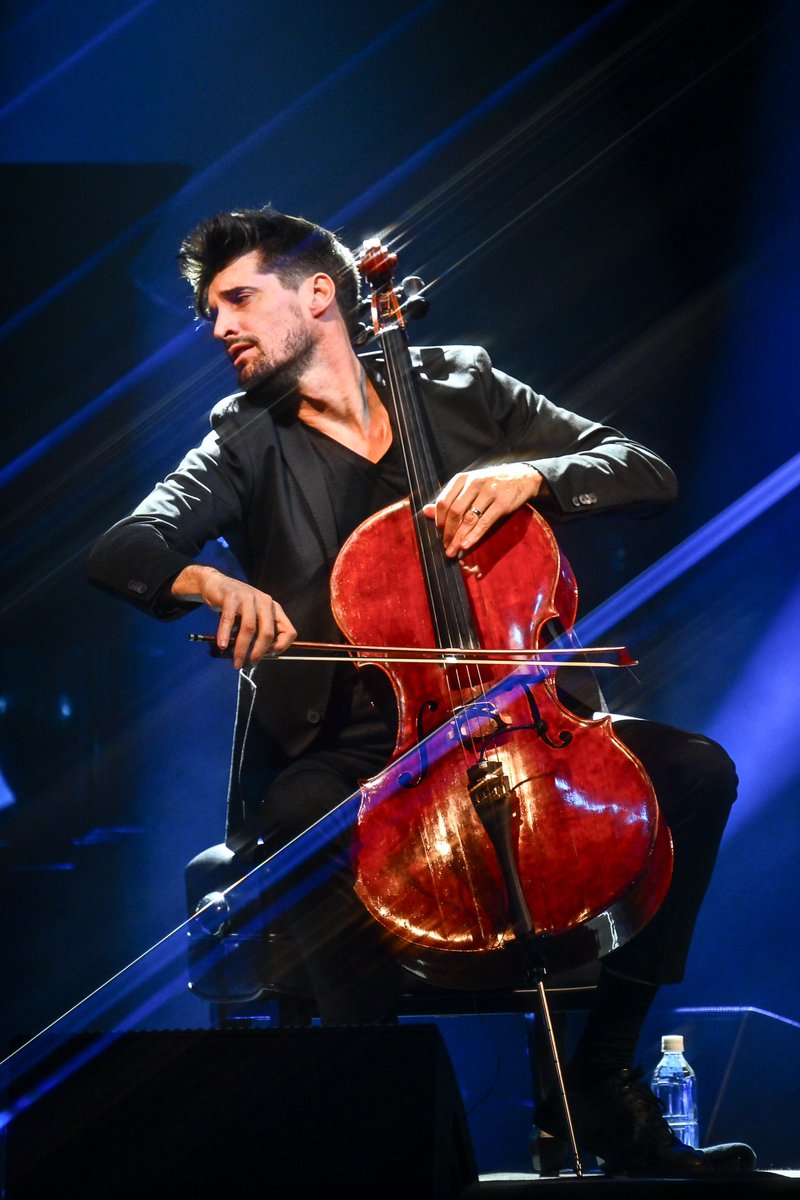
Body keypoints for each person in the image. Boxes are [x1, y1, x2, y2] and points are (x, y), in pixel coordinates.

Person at [86, 207, 755, 1177]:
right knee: (307, 823)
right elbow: (124, 550)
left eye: (236, 299)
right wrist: (209, 581)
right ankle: (390, 1122)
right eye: (208, 313)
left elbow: (637, 470)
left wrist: (534, 476)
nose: (219, 326)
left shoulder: (461, 386)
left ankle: (604, 1086)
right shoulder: (240, 442)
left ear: (318, 294)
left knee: (693, 772)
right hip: (353, 747)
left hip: (514, 723)